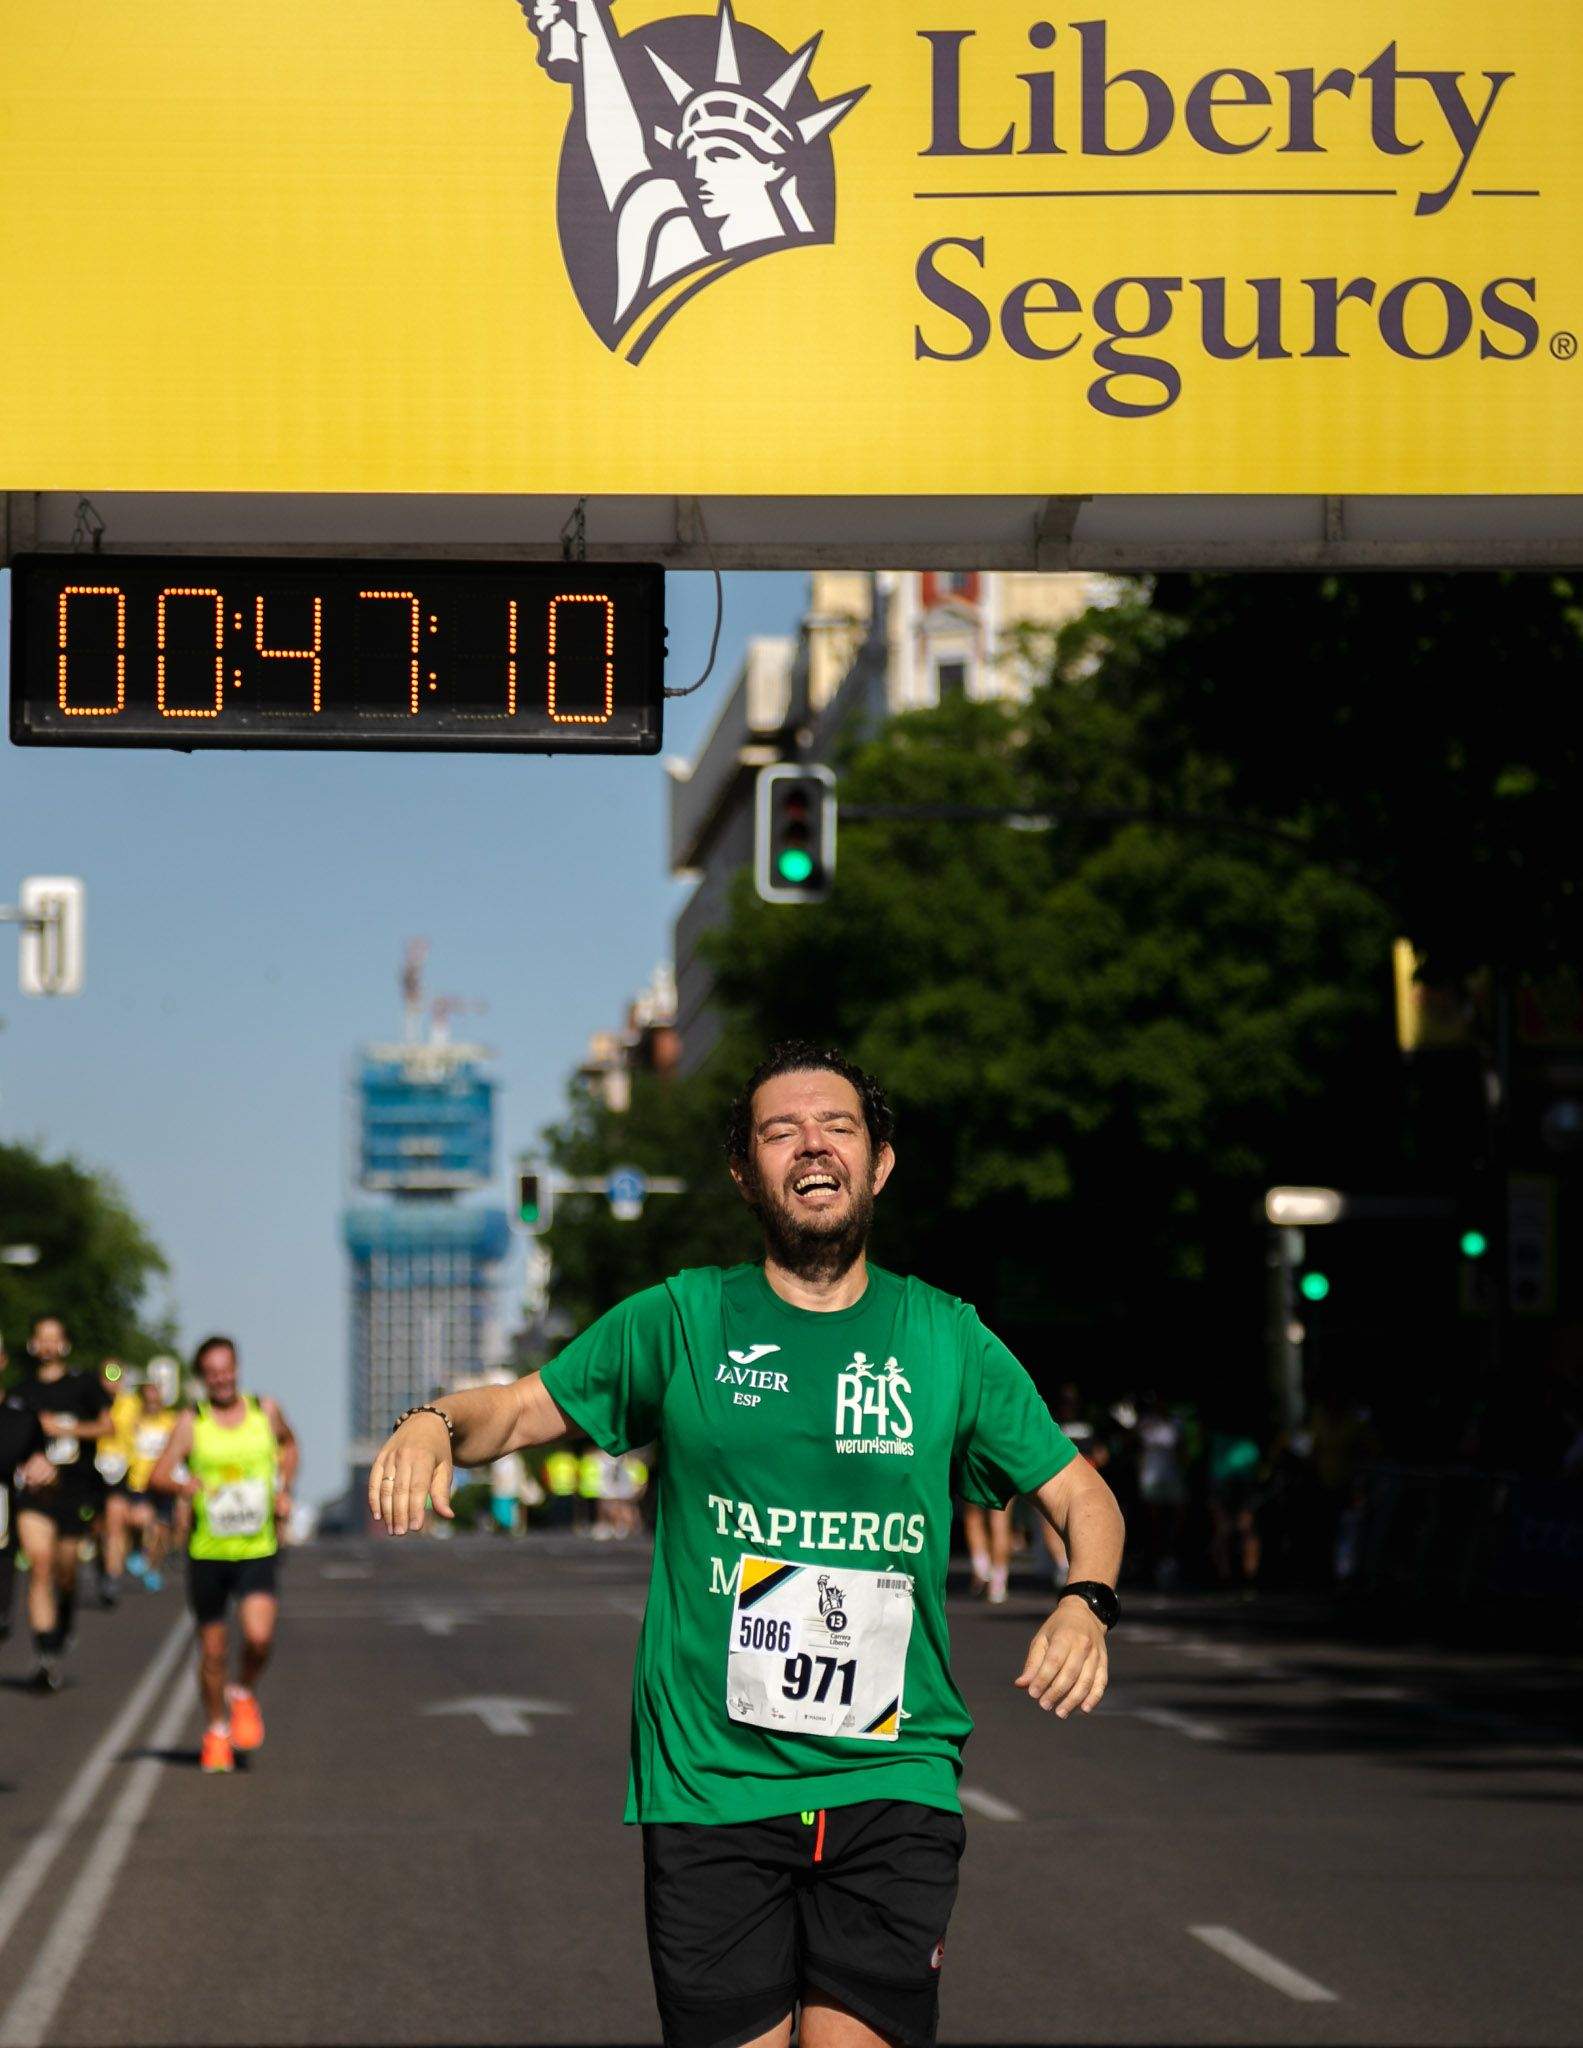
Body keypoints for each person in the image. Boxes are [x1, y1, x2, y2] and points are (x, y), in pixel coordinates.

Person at [371, 1041, 1125, 2048]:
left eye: (837, 1126)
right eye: (780, 1131)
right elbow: (513, 1409)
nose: (811, 1144)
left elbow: (1081, 1493)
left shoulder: (945, 1337)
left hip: (890, 1778)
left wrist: (1085, 1599)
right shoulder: (681, 1319)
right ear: (743, 1171)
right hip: (709, 1783)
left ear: (878, 1163)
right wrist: (431, 1421)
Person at [149, 1336, 298, 1774]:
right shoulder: (191, 1422)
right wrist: (185, 1485)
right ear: (203, 1377)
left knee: (259, 1637)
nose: (221, 1378)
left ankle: (244, 1691)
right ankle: (216, 1729)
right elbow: (157, 1475)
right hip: (208, 1551)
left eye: (227, 1368)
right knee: (213, 1652)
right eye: (212, 1372)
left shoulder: (264, 1411)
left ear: (237, 1368)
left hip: (256, 1547)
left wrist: (283, 1488)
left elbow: (290, 1447)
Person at [12, 1315, 114, 1691]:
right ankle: (45, 1655)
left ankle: (65, 1619)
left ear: (65, 1343)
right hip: (37, 1494)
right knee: (40, 1565)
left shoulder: (83, 1384)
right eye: (41, 1338)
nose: (48, 1345)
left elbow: (108, 1426)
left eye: (54, 1338)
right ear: (32, 1344)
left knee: (66, 1571)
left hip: (76, 1489)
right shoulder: (22, 1392)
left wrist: (66, 1428)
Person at [2, 1336, 55, 1649]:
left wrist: (44, 1471)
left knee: (42, 1558)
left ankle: (46, 1647)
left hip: (9, 1521)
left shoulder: (21, 1414)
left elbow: (41, 1465)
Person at [122, 1375, 179, 1590]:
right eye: (148, 1396)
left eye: (156, 1396)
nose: (152, 1401)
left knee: (161, 1531)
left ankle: (153, 1568)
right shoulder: (135, 1420)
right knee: (140, 1520)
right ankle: (136, 1550)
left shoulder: (171, 1421)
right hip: (139, 1481)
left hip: (164, 1481)